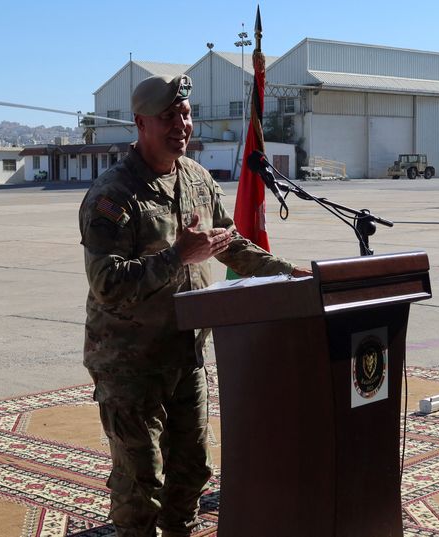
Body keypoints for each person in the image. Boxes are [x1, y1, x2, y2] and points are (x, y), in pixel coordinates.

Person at [78, 73, 309, 537]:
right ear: (141, 124)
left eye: (184, 114)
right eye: (168, 117)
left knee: (192, 473)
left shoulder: (197, 178)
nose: (181, 124)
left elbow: (229, 243)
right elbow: (106, 283)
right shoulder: (113, 196)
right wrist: (177, 256)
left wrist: (288, 273)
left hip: (187, 356)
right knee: (141, 484)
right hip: (130, 363)